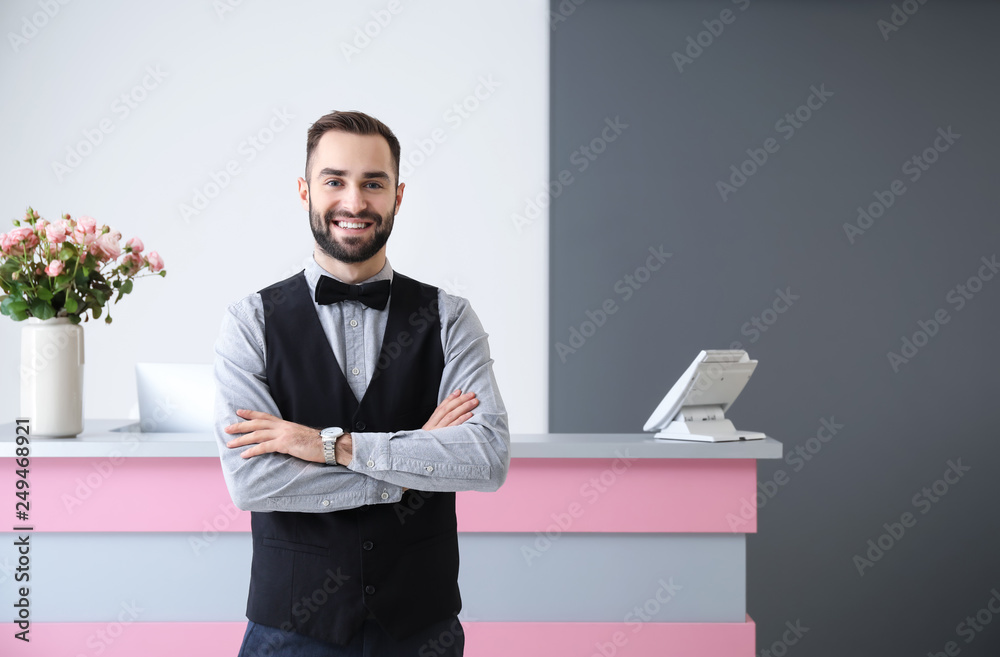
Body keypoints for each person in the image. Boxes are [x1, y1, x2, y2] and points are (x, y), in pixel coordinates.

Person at [212, 110, 510, 656]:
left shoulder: (450, 318)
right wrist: (416, 466)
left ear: (398, 195)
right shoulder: (250, 321)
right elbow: (252, 484)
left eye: (373, 183)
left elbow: (486, 460)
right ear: (305, 190)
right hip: (291, 631)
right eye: (334, 181)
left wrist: (323, 445)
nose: (354, 202)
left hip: (421, 627)